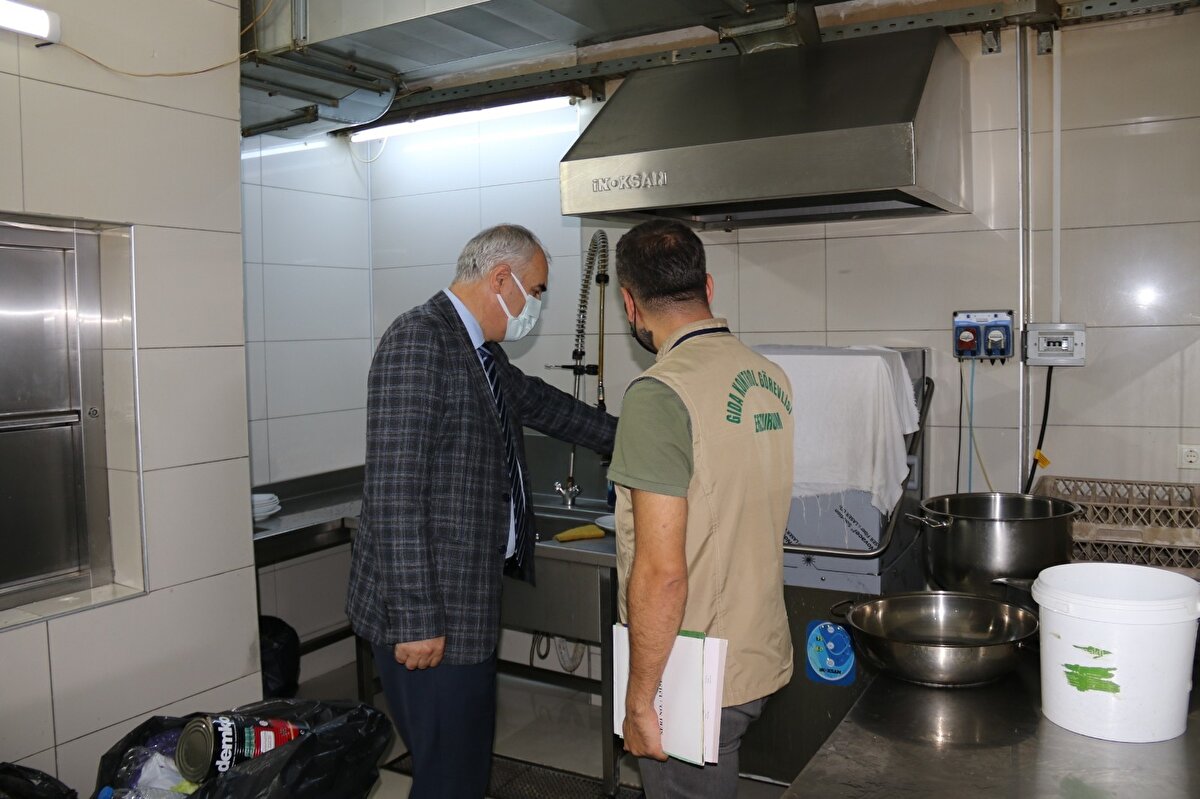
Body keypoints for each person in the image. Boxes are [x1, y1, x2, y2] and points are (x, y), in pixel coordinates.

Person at [346, 223, 616, 799]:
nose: (536, 307)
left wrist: (632, 434)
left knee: (462, 770)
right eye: (536, 291)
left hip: (462, 607)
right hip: (428, 618)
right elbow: (394, 490)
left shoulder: (479, 353)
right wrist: (418, 620)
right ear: (502, 279)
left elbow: (543, 405)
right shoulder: (420, 340)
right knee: (450, 779)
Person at [608, 220, 794, 798]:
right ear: (707, 286)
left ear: (628, 302)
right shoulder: (768, 376)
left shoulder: (661, 394)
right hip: (754, 650)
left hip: (692, 669)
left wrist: (639, 701)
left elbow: (663, 572)